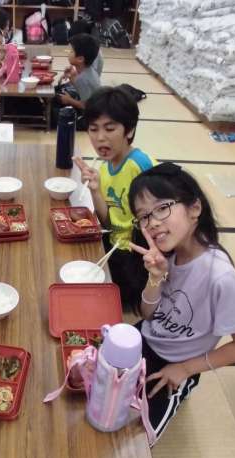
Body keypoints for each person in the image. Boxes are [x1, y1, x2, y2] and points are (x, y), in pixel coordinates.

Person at [128, 162, 235, 443]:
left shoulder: (221, 278)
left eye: (162, 208)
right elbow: (148, 315)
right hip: (146, 337)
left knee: (137, 439)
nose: (152, 223)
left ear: (194, 209)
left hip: (178, 361)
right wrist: (155, 277)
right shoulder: (165, 256)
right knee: (90, 378)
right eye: (143, 216)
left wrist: (184, 369)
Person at [74, 85, 156, 311]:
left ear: (129, 130)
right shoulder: (105, 167)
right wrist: (95, 189)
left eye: (110, 128)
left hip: (136, 256)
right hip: (114, 245)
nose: (100, 138)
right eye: (93, 129)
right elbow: (109, 222)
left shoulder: (140, 167)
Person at [57, 33, 101, 115]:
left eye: (71, 51)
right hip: (92, 103)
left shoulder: (83, 79)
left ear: (80, 59)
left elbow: (86, 106)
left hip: (92, 114)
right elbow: (82, 88)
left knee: (57, 101)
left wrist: (69, 100)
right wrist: (72, 76)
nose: (68, 53)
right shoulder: (89, 69)